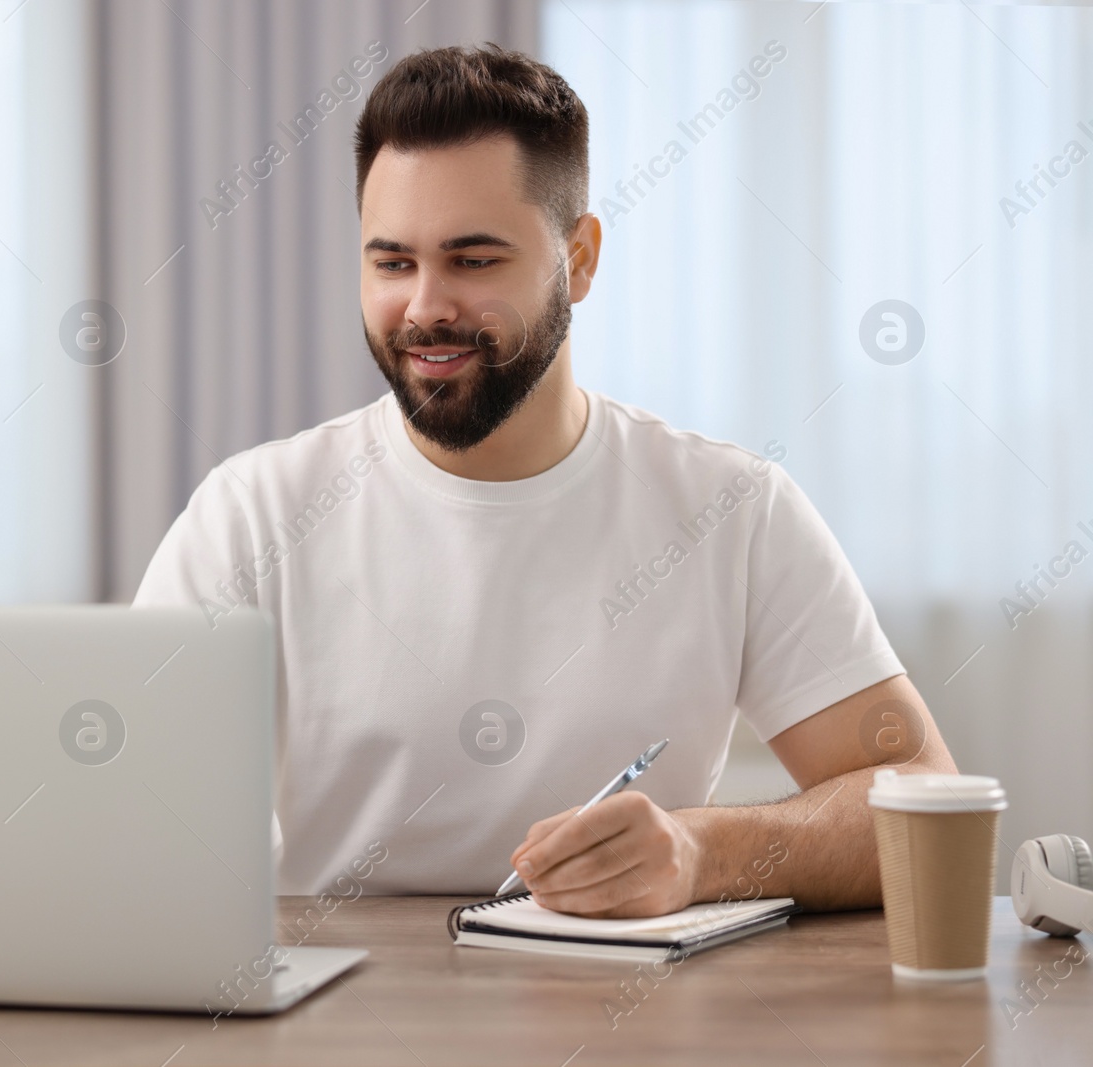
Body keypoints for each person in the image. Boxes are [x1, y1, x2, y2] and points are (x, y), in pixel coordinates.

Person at [133, 44, 956, 917]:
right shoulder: (252, 513)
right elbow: (124, 819)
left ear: (582, 259)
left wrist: (702, 849)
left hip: (627, 1021)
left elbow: (924, 802)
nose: (424, 308)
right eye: (392, 262)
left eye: (474, 260)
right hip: (336, 1020)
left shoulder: (731, 509)